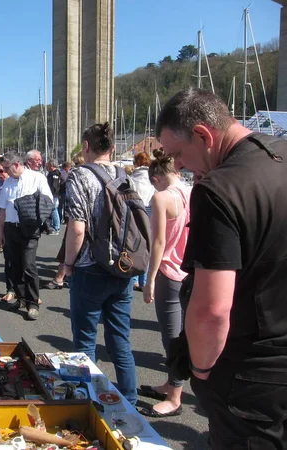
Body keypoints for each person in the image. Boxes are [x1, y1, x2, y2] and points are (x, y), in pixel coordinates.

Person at [157, 87, 287, 448]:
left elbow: (212, 310)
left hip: (250, 368)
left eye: (179, 154)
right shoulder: (280, 153)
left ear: (203, 135)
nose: (178, 166)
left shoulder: (220, 188)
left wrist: (199, 370)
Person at [64, 122, 138, 405]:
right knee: (120, 339)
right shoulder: (124, 175)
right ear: (113, 148)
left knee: (84, 342)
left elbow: (77, 228)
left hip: (90, 266)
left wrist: (68, 264)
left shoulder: (79, 176)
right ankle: (129, 401)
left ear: (85, 147)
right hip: (122, 266)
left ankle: (88, 400)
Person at [138, 149, 190, 418]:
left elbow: (158, 242)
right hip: (189, 270)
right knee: (182, 332)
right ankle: (171, 384)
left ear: (156, 177)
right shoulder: (192, 191)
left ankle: (175, 396)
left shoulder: (161, 197)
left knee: (171, 336)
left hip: (169, 271)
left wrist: (150, 279)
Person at [0, 151, 53, 320]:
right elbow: (2, 210)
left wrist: (34, 214)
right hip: (11, 228)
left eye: (6, 168)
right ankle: (21, 299)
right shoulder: (8, 182)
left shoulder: (37, 178)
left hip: (29, 229)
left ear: (16, 164)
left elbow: (48, 202)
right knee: (15, 266)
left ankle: (33, 302)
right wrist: (1, 232)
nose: (4, 172)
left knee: (29, 266)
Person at [131, 152, 156, 291]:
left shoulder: (133, 177)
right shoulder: (152, 176)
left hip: (137, 209)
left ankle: (133, 278)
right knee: (148, 246)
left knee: (135, 244)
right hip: (150, 210)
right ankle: (144, 280)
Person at [0, 157, 15, 302]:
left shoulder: (17, 182)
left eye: (1, 170)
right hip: (4, 225)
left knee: (25, 262)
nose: (0, 174)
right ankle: (10, 289)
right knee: (8, 260)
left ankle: (29, 294)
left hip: (20, 226)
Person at [45, 160, 62, 235]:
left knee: (54, 210)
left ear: (51, 165)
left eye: (48, 165)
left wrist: (54, 194)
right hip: (52, 194)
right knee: (52, 210)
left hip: (53, 195)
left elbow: (55, 185)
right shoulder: (52, 173)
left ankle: (56, 228)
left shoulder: (55, 174)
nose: (47, 167)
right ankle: (53, 226)